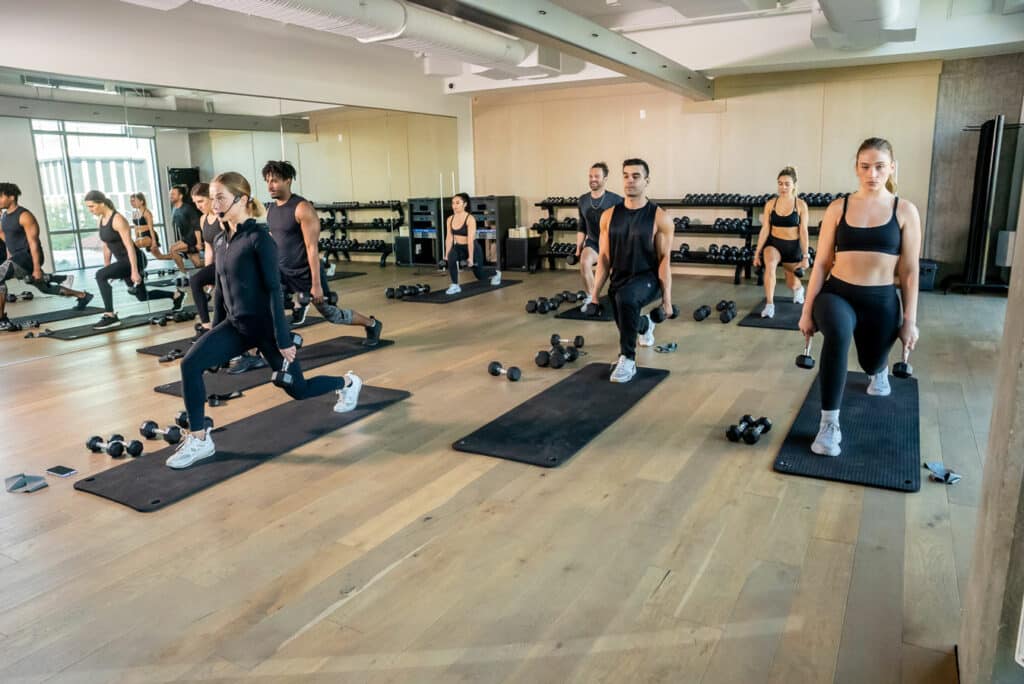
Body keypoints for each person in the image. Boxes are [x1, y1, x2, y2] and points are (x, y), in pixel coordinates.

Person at [170, 172, 362, 469]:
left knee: (298, 390)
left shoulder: (259, 239)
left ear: (242, 199)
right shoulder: (222, 240)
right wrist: (215, 327)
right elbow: (221, 290)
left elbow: (274, 290)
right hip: (235, 327)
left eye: (220, 197)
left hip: (265, 330)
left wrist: (283, 339)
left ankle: (348, 383)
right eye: (213, 198)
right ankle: (200, 439)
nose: (214, 204)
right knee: (190, 364)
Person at [798, 137, 921, 457]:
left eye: (880, 166)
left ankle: (877, 370)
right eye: (865, 166)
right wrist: (807, 310)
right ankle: (829, 424)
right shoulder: (838, 207)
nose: (872, 173)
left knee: (870, 362)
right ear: (856, 168)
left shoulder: (905, 210)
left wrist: (910, 321)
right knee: (837, 334)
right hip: (838, 293)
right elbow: (822, 262)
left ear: (891, 168)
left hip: (881, 301)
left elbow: (909, 272)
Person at [262, 160, 382, 345]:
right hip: (282, 272)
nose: (270, 186)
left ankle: (371, 324)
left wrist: (316, 284)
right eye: (268, 181)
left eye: (275, 181)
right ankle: (293, 315)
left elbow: (312, 248)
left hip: (304, 272)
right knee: (269, 305)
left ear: (288, 180)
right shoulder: (270, 210)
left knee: (332, 314)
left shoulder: (302, 208)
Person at [589, 159, 674, 383]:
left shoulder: (660, 218)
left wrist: (666, 300)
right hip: (620, 278)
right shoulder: (608, 216)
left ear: (647, 181)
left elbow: (665, 260)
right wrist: (595, 294)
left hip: (648, 278)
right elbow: (605, 258)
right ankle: (645, 325)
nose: (630, 181)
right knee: (619, 305)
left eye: (636, 176)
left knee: (626, 299)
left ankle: (627, 359)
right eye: (626, 175)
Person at [0, 182, 93, 330]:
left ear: (11, 197)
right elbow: (6, 238)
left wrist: (37, 268)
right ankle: (82, 295)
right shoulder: (4, 216)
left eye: (0, 196)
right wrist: (9, 258)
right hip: (17, 258)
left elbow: (34, 243)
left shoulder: (24, 215)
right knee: (46, 289)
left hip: (27, 257)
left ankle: (2, 320)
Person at [86, 190, 183, 330]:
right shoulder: (101, 220)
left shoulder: (118, 219)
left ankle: (110, 315)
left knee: (99, 275)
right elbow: (106, 245)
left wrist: (134, 270)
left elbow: (130, 247)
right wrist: (108, 267)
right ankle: (176, 295)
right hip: (123, 262)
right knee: (142, 296)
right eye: (88, 207)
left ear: (101, 203)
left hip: (135, 259)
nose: (90, 210)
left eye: (92, 206)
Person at [752, 167, 810, 318]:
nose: (783, 187)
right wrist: (757, 253)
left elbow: (803, 232)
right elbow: (765, 229)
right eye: (780, 183)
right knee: (770, 266)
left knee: (791, 283)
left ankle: (798, 289)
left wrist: (805, 256)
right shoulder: (771, 204)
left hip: (792, 248)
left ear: (794, 185)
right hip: (774, 244)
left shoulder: (801, 205)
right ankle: (769, 305)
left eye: (787, 184)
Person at [574, 162, 622, 309]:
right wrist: (578, 248)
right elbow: (582, 226)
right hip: (594, 242)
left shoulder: (616, 200)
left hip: (613, 244)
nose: (593, 179)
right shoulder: (582, 200)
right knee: (584, 262)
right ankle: (591, 298)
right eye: (590, 176)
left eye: (596, 176)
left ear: (605, 178)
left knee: (617, 275)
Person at [443, 192, 501, 295]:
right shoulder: (450, 219)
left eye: (457, 203)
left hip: (472, 248)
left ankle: (496, 273)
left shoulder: (470, 219)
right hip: (459, 248)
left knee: (480, 275)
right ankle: (455, 285)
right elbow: (449, 238)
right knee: (452, 256)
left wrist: (470, 257)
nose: (454, 206)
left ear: (464, 204)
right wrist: (446, 254)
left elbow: (470, 240)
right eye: (453, 203)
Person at [187, 183, 221, 337]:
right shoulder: (203, 219)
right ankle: (206, 326)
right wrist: (208, 272)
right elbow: (209, 248)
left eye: (201, 201)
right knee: (196, 280)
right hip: (216, 265)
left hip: (229, 264)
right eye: (195, 203)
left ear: (211, 197)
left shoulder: (223, 216)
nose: (198, 206)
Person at [167, 185, 203, 273]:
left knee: (173, 249)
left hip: (192, 238)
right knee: (197, 264)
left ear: (180, 196)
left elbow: (197, 226)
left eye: (173, 194)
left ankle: (183, 273)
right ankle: (214, 263)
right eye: (170, 194)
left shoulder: (188, 208)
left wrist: (199, 243)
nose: (171, 196)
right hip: (185, 238)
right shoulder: (174, 209)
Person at [129, 192, 166, 259]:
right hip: (141, 236)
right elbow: (136, 228)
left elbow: (151, 228)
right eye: (131, 201)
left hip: (149, 235)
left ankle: (136, 266)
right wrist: (136, 238)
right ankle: (176, 256)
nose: (132, 203)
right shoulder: (135, 213)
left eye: (134, 200)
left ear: (141, 201)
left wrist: (154, 241)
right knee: (160, 257)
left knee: (133, 247)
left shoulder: (147, 213)